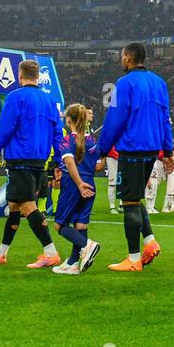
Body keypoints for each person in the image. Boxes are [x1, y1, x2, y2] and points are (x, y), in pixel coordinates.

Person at [0, 59, 70, 269]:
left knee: (26, 205)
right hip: (40, 160)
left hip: (20, 158)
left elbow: (6, 127)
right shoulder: (49, 101)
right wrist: (58, 160)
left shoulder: (16, 97)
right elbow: (57, 133)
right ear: (38, 76)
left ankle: (50, 252)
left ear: (20, 75)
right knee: (14, 205)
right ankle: (1, 252)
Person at [97, 43, 174, 272]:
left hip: (132, 148)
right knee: (136, 197)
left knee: (129, 201)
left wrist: (102, 149)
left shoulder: (123, 83)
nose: (121, 60)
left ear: (128, 58)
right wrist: (168, 150)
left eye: (122, 56)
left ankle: (133, 259)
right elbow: (165, 118)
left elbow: (115, 120)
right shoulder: (159, 82)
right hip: (152, 149)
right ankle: (149, 241)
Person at [50, 104, 102, 275]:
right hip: (90, 182)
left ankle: (87, 245)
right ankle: (73, 262)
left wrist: (79, 183)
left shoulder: (67, 140)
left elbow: (70, 162)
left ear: (69, 120)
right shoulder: (92, 142)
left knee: (59, 225)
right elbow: (99, 165)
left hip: (74, 183)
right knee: (80, 223)